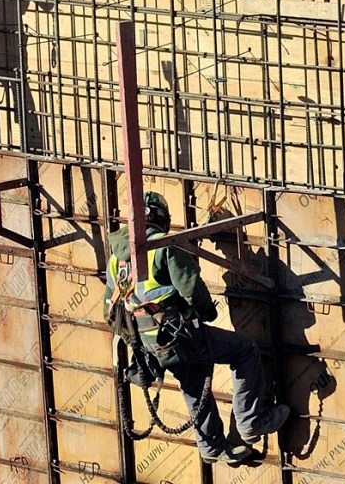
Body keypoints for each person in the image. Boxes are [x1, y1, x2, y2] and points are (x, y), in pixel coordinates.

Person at [104, 191, 289, 465]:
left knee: (192, 380)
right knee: (244, 350)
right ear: (161, 220)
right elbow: (191, 288)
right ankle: (252, 421)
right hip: (178, 336)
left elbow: (110, 310)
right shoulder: (164, 247)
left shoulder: (116, 260)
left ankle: (211, 446)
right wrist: (207, 312)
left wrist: (141, 345)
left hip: (150, 345)